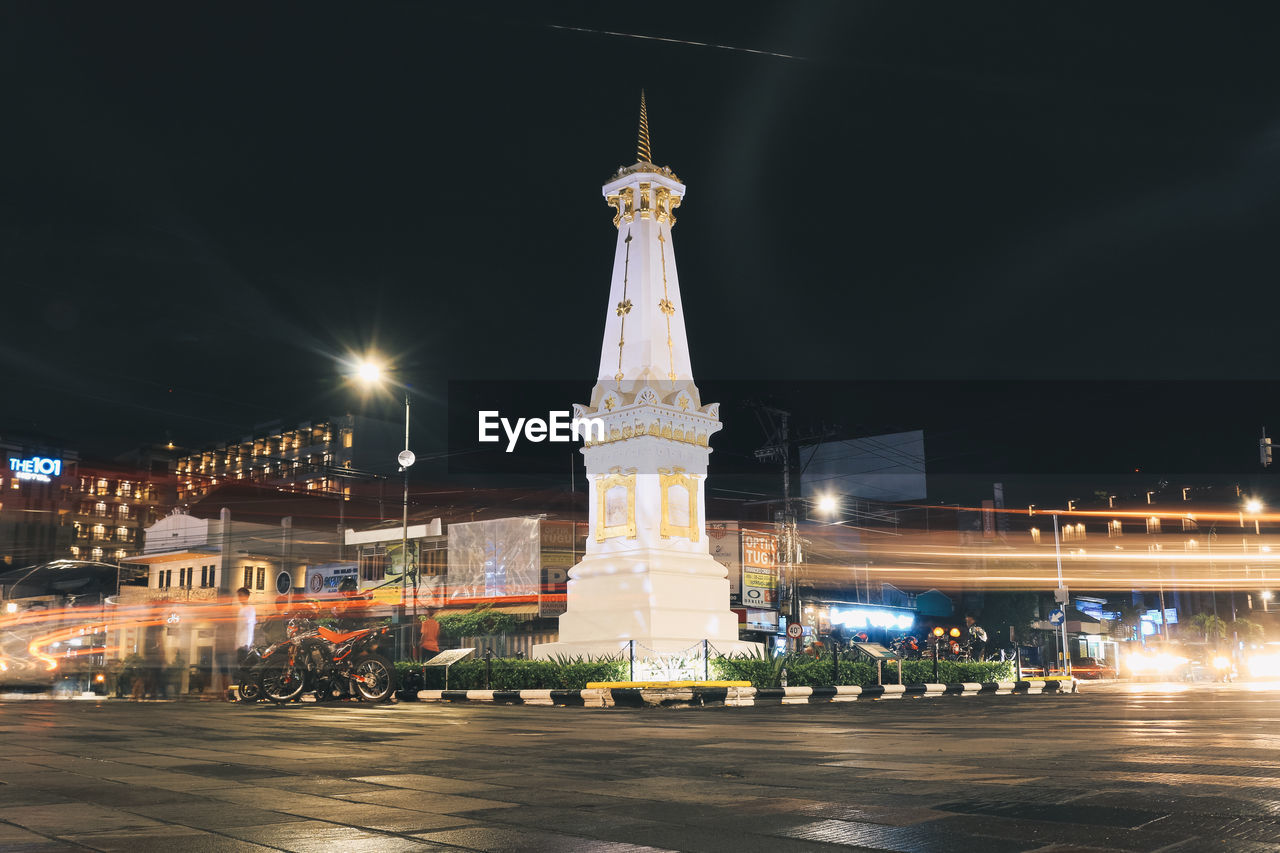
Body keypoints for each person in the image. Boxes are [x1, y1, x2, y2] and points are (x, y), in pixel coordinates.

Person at [235, 587, 257, 661]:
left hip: (244, 644)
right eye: (238, 596)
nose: (239, 598)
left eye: (241, 595)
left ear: (247, 596)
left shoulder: (250, 609)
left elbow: (249, 628)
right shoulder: (240, 609)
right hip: (239, 644)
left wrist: (247, 644)